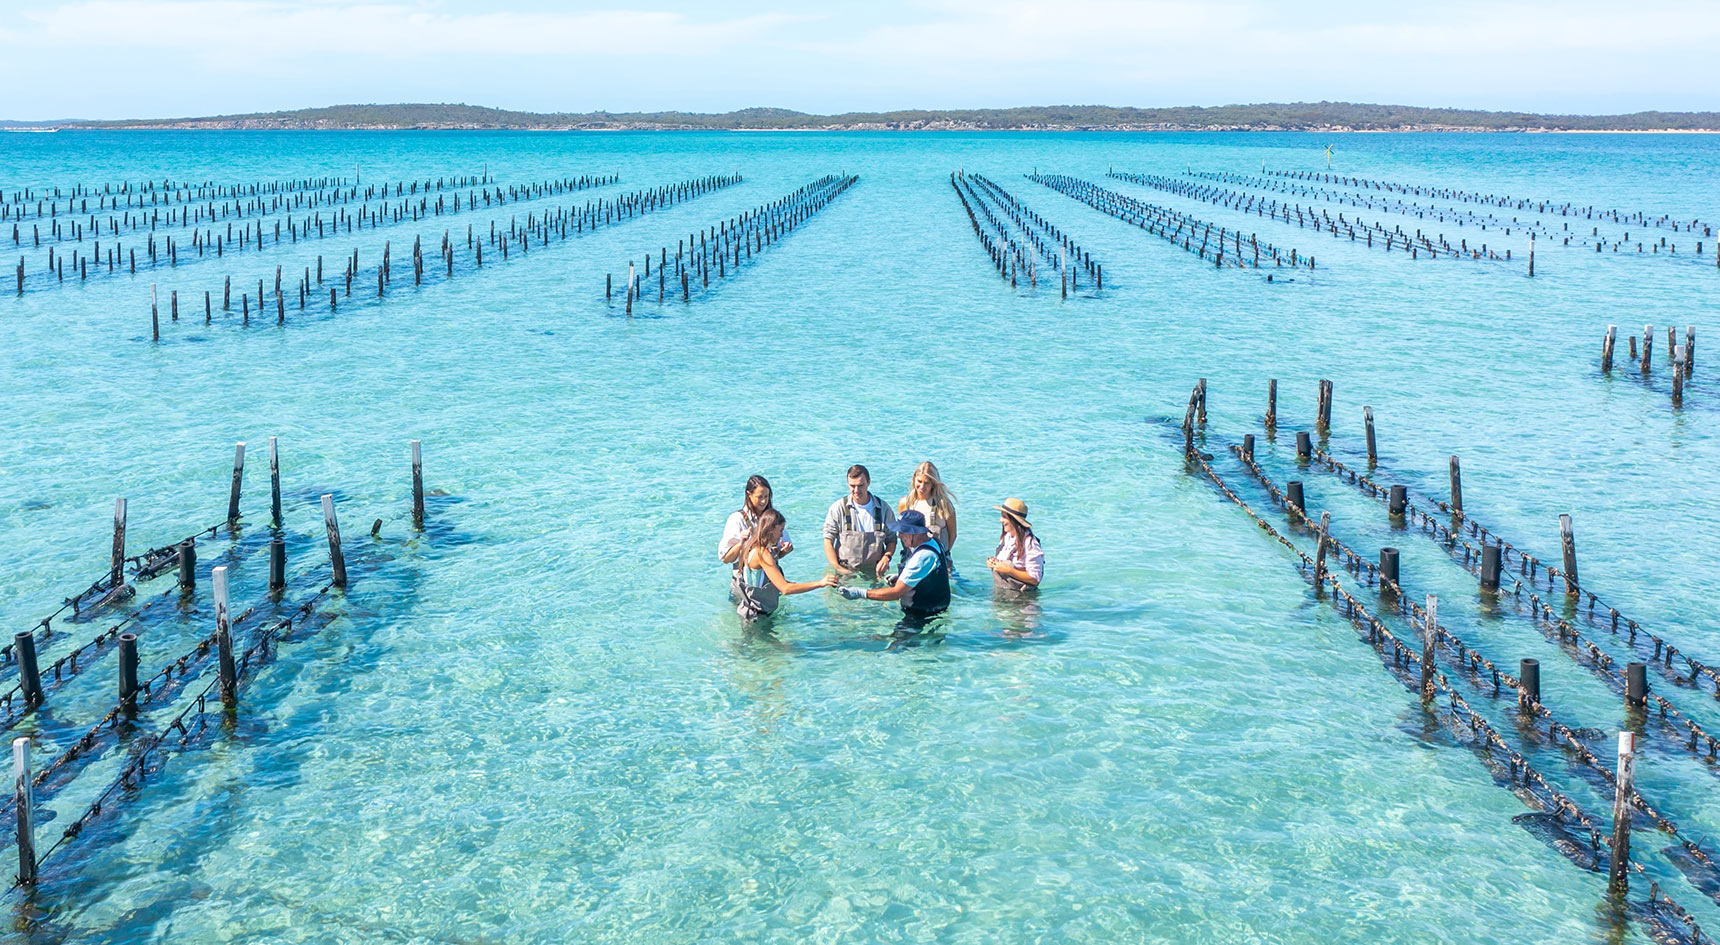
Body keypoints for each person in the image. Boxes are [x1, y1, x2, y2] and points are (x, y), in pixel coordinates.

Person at [835, 510, 950, 627]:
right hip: (937, 610)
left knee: (896, 644)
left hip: (921, 615)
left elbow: (896, 593)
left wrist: (860, 593)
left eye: (902, 532)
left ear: (914, 533)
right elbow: (929, 574)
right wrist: (901, 577)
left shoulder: (921, 556)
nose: (899, 536)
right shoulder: (935, 543)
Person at [734, 510, 835, 621]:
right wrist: (820, 583)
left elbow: (763, 576)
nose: (782, 535)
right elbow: (785, 588)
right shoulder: (762, 554)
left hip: (749, 612)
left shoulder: (750, 546)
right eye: (780, 530)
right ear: (771, 529)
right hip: (757, 618)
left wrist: (781, 553)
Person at [719, 475, 792, 601]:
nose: (763, 501)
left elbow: (771, 557)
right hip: (744, 589)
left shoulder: (772, 519)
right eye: (759, 497)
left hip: (769, 587)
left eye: (766, 496)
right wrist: (741, 542)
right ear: (749, 494)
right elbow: (725, 558)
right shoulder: (737, 519)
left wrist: (783, 552)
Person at [823, 464, 896, 579]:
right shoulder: (838, 508)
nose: (856, 490)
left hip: (875, 571)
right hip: (844, 570)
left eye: (860, 485)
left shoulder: (884, 508)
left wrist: (886, 557)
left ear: (868, 482)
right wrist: (837, 567)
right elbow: (828, 541)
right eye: (852, 486)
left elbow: (892, 539)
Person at [897, 461, 957, 553]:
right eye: (919, 481)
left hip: (938, 562)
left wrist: (945, 555)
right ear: (914, 479)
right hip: (911, 560)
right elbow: (901, 533)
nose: (922, 487)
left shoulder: (943, 505)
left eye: (927, 483)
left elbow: (952, 534)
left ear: (933, 484)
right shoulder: (905, 503)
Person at [986, 497, 1043, 593]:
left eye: (1004, 516)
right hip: (1002, 593)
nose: (1000, 520)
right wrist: (992, 562)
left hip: (1023, 599)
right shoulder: (1007, 537)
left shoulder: (1030, 544)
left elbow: (1035, 579)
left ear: (1013, 520)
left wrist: (1010, 571)